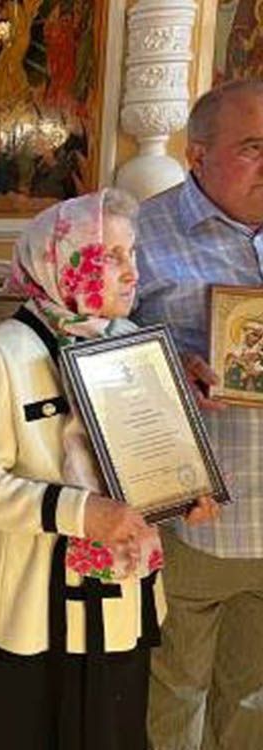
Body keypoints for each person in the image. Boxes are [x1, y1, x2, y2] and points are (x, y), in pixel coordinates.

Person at [0, 189, 220, 750]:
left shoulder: (135, 344)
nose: (132, 272)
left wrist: (183, 491)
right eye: (112, 256)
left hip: (120, 596)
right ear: (60, 260)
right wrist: (81, 513)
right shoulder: (2, 354)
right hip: (32, 611)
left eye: (132, 253)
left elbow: (146, 459)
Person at [130, 79, 263, 750]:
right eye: (253, 147)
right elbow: (89, 356)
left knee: (254, 699)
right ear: (197, 154)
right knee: (175, 690)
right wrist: (166, 371)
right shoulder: (137, 234)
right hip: (195, 521)